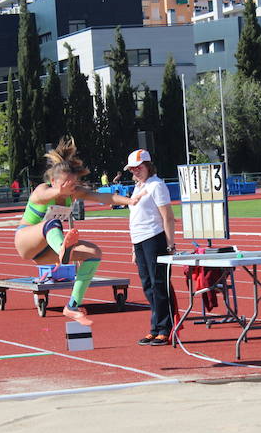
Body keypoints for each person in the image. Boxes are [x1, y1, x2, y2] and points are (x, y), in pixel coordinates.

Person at [14, 138, 140, 326]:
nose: (70, 188)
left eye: (73, 184)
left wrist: (128, 201)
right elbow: (45, 195)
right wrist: (59, 192)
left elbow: (102, 196)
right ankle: (62, 249)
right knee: (53, 222)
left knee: (94, 253)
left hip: (47, 252)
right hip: (26, 240)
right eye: (66, 184)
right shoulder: (41, 190)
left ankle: (72, 306)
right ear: (53, 181)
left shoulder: (73, 192)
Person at [125, 149, 176, 347]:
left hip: (154, 238)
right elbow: (135, 218)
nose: (135, 171)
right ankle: (155, 327)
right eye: (132, 169)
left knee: (158, 284)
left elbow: (168, 217)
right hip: (139, 241)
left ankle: (164, 328)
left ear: (148, 166)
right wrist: (133, 247)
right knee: (147, 286)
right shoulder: (138, 187)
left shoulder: (157, 185)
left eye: (139, 167)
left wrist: (170, 244)